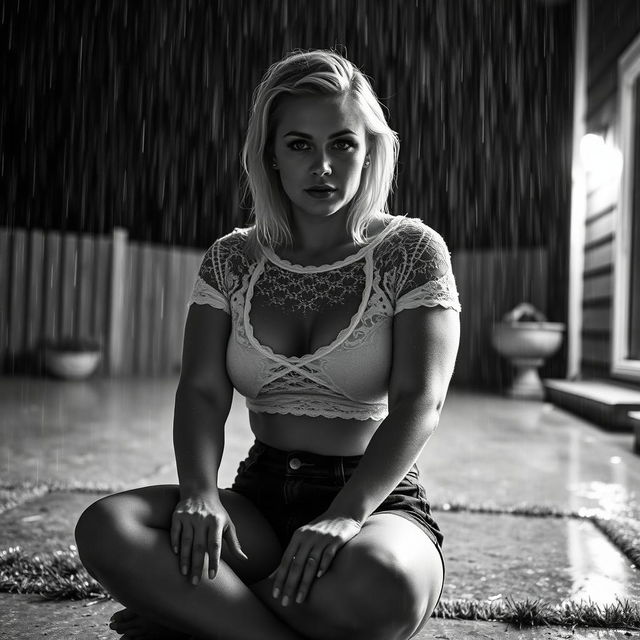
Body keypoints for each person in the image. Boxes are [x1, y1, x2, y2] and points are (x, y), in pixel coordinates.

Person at [75, 49, 461, 640]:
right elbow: (202, 391)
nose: (323, 167)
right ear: (270, 156)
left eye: (343, 144)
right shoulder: (232, 259)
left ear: (370, 150)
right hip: (259, 498)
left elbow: (419, 403)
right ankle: (248, 623)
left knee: (384, 584)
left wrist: (345, 515)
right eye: (300, 145)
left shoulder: (410, 250)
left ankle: (197, 618)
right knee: (107, 527)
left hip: (377, 503)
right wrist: (201, 494)